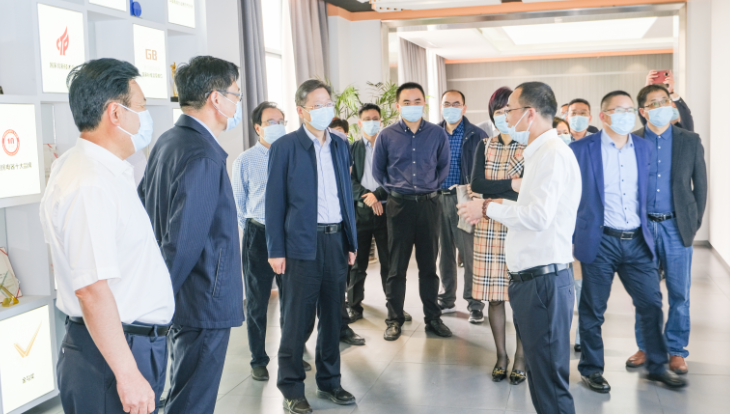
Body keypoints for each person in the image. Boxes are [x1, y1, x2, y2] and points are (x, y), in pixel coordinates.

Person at [41, 58, 174, 414]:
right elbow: (91, 288)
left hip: (123, 347)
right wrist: (127, 375)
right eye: (141, 107)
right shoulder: (90, 183)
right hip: (111, 358)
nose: (146, 117)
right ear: (116, 113)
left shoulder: (102, 171)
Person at [457, 82, 580, 414]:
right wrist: (496, 204)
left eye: (510, 110)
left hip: (543, 281)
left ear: (529, 113)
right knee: (542, 379)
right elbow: (532, 209)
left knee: (550, 384)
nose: (506, 118)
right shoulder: (539, 154)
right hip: (534, 279)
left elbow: (537, 217)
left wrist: (487, 207)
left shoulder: (552, 155)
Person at [138, 56, 244, 414]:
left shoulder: (169, 141)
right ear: (216, 98)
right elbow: (184, 241)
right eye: (235, 94)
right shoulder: (203, 155)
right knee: (193, 400)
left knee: (183, 391)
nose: (237, 104)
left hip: (186, 295)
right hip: (203, 297)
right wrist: (159, 298)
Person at [570, 90, 686, 393]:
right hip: (600, 240)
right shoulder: (581, 149)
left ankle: (657, 366)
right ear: (603, 116)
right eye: (618, 110)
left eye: (629, 110)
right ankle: (592, 370)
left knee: (651, 304)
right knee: (593, 310)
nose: (625, 115)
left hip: (636, 240)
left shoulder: (644, 148)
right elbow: (568, 197)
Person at [266, 79, 358, 414]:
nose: (325, 110)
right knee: (297, 320)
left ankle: (330, 381)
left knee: (333, 317)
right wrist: (275, 250)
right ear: (301, 110)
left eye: (328, 104)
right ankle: (291, 388)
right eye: (317, 105)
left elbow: (345, 196)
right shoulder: (285, 147)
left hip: (336, 241)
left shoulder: (340, 145)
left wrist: (351, 240)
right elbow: (274, 203)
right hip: (300, 245)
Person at [626, 84, 707, 374]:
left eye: (665, 101)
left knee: (679, 294)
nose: (662, 107)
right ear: (643, 111)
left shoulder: (690, 140)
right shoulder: (631, 141)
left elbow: (700, 186)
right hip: (642, 229)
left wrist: (693, 224)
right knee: (645, 294)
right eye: (654, 103)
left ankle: (676, 350)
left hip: (676, 226)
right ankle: (646, 347)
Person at [232, 102, 316, 381]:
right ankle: (258, 359)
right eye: (271, 121)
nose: (278, 125)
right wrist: (257, 229)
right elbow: (239, 204)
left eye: (281, 121)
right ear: (258, 127)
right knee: (257, 301)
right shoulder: (245, 160)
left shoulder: (295, 154)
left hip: (290, 236)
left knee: (293, 299)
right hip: (258, 235)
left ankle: (291, 354)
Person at [372, 82, 453, 341]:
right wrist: (397, 190)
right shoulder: (386, 135)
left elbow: (443, 167)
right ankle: (394, 319)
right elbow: (378, 171)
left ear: (424, 103)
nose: (412, 106)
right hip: (399, 206)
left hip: (429, 205)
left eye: (417, 101)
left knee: (429, 267)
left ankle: (433, 318)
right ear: (398, 106)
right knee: (396, 267)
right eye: (406, 102)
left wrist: (429, 188)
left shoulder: (437, 134)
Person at [469, 86, 526, 384]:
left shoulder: (528, 145)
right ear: (492, 115)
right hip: (489, 227)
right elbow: (477, 184)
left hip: (518, 227)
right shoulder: (484, 145)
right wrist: (511, 185)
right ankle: (501, 356)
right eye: (498, 111)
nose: (503, 116)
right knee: (494, 298)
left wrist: (502, 189)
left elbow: (526, 191)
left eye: (508, 110)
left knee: (520, 300)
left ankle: (520, 358)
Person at [347, 103, 411, 322]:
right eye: (367, 119)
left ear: (381, 121)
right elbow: (348, 180)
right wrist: (367, 196)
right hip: (360, 212)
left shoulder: (390, 147)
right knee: (358, 264)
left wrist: (377, 195)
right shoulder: (352, 149)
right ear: (360, 122)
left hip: (386, 211)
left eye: (375, 118)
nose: (372, 122)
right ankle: (354, 306)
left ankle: (395, 307)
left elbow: (396, 177)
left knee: (390, 264)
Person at [437, 90, 487, 322]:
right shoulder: (433, 133)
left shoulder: (476, 134)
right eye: (447, 104)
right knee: (444, 253)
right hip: (438, 198)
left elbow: (484, 168)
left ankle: (474, 304)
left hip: (465, 197)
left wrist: (478, 194)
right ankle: (446, 299)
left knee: (469, 253)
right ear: (441, 107)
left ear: (464, 108)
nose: (451, 108)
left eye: (456, 104)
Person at [553, 117, 583, 352]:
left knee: (579, 285)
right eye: (558, 132)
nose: (563, 136)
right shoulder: (542, 160)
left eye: (566, 132)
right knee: (559, 291)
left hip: (576, 232)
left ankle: (582, 336)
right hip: (552, 235)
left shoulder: (578, 158)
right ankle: (558, 336)